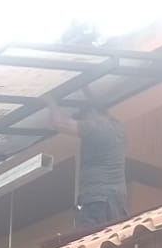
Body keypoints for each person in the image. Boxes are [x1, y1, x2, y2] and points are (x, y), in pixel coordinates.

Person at [42, 97, 129, 233]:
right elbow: (98, 105)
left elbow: (59, 123)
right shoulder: (117, 127)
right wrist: (86, 89)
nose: (84, 121)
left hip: (97, 201)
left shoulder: (95, 127)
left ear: (92, 113)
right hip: (116, 201)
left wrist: (49, 100)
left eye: (84, 117)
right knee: (113, 240)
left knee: (91, 240)